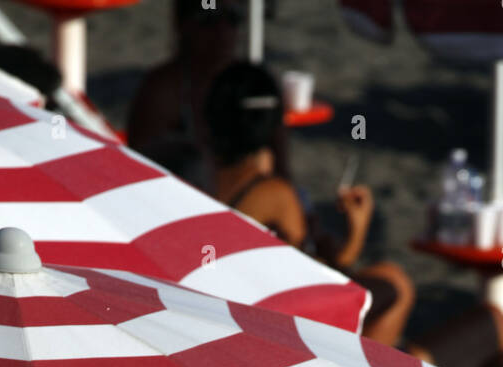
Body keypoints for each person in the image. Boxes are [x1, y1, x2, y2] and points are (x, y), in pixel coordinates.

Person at [205, 62, 415, 347]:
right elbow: (319, 278)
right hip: (274, 322)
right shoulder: (274, 194)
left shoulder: (206, 173)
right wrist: (357, 231)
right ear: (276, 125)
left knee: (388, 278)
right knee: (395, 286)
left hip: (231, 298)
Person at [127, 0, 242, 186]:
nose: (223, 31)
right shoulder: (162, 92)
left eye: (233, 17)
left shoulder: (255, 86)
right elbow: (139, 177)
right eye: (209, 19)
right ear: (183, 26)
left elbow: (282, 171)